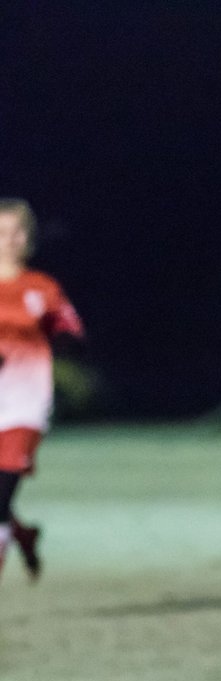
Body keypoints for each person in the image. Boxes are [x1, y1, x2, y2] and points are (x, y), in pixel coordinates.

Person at [0, 199, 85, 584]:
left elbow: (70, 337)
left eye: (18, 231)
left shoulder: (42, 288)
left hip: (23, 405)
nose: (10, 240)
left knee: (0, 492)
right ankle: (22, 533)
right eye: (2, 232)